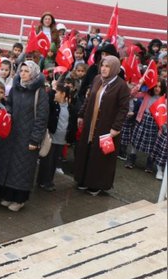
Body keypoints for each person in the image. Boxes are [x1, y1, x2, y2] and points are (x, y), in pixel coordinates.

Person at [0, 61, 49, 211]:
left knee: (23, 169)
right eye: (21, 70)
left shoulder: (40, 92)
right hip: (11, 134)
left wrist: (35, 139)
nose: (23, 73)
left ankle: (19, 200)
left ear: (34, 73)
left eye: (26, 71)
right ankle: (7, 195)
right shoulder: (16, 88)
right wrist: (7, 114)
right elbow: (9, 103)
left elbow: (42, 118)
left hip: (27, 137)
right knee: (9, 166)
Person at [74, 56, 131, 195]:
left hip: (107, 127)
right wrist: (81, 115)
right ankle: (82, 179)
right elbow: (89, 99)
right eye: (103, 65)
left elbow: (123, 109)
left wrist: (116, 128)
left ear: (115, 69)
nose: (104, 69)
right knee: (86, 150)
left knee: (100, 156)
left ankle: (96, 184)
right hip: (90, 123)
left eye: (108, 66)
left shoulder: (121, 86)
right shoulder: (97, 79)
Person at [37, 84, 77, 191]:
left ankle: (49, 181)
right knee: (47, 160)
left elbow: (72, 124)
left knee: (54, 161)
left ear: (63, 94)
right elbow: (48, 97)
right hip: (51, 138)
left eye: (57, 92)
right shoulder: (53, 105)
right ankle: (42, 181)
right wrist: (53, 89)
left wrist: (70, 139)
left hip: (61, 139)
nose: (55, 94)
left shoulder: (70, 108)